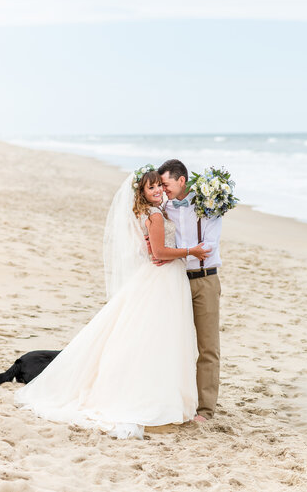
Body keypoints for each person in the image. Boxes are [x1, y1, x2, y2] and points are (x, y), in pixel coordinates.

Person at [15, 167, 198, 439]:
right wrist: (190, 251)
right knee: (160, 338)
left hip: (158, 276)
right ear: (142, 193)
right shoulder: (155, 214)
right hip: (163, 278)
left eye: (159, 185)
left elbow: (152, 248)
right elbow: (159, 252)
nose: (158, 190)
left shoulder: (146, 212)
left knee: (149, 336)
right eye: (151, 188)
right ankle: (154, 397)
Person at [158, 159, 222, 422]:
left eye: (166, 183)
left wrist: (177, 254)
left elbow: (209, 246)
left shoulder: (209, 204)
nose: (163, 189)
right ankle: (176, 400)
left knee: (207, 347)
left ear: (181, 180)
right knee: (175, 343)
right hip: (176, 280)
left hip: (205, 280)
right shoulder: (163, 207)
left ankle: (205, 410)